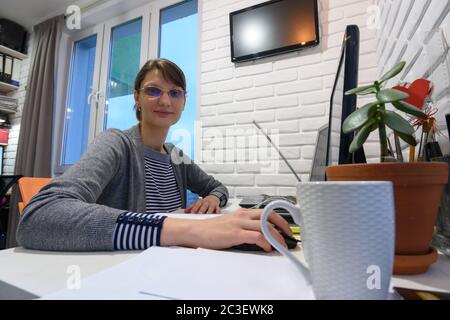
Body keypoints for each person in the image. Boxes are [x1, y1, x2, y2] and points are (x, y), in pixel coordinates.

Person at [17, 58, 290, 252]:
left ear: (184, 102)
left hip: (172, 261)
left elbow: (218, 187)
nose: (165, 101)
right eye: (153, 91)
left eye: (175, 93)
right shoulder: (116, 143)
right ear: (136, 98)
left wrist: (211, 198)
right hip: (125, 271)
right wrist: (189, 230)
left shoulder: (175, 156)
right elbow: (38, 216)